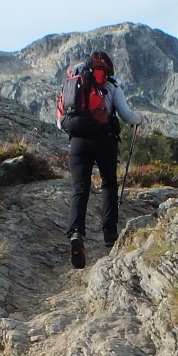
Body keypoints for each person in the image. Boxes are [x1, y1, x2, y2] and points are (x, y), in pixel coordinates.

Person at [58, 50, 143, 268]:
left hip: (77, 141)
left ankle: (76, 234)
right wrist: (140, 119)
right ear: (107, 69)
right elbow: (126, 115)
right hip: (104, 140)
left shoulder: (72, 84)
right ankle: (109, 233)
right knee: (108, 184)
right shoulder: (112, 87)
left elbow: (60, 122)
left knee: (80, 189)